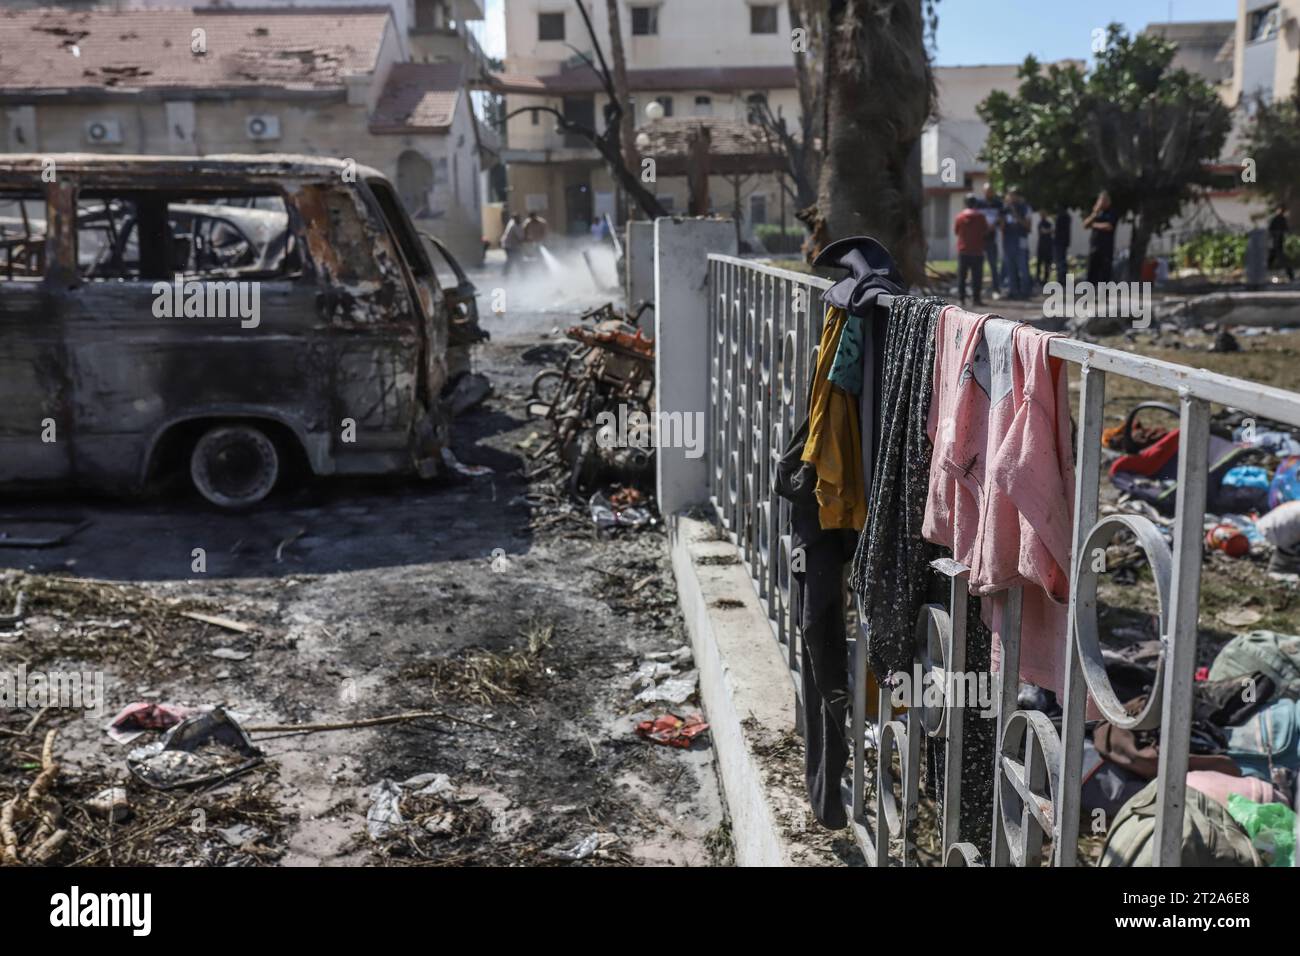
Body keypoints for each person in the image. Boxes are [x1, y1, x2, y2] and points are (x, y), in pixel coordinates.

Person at [953, 193, 988, 307]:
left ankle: (961, 299)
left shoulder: (960, 217)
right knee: (977, 277)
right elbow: (985, 230)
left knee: (962, 277)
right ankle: (976, 299)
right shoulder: (981, 216)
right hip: (977, 251)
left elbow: (956, 232)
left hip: (963, 250)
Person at [1000, 188, 1031, 298]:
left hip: (1021, 240)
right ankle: (1013, 291)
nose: (1011, 198)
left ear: (1018, 196)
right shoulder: (1005, 209)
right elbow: (1002, 227)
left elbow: (1028, 226)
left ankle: (1025, 291)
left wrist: (1016, 214)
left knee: (1023, 267)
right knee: (1010, 267)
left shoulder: (1025, 207)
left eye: (1013, 195)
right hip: (1008, 242)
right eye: (1009, 195)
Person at [1083, 190, 1118, 283]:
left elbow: (1109, 226)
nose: (1101, 203)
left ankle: (1104, 295)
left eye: (1103, 201)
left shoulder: (1112, 211)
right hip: (1094, 247)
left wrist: (1094, 225)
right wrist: (1094, 214)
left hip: (1106, 248)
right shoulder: (1096, 213)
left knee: (1105, 274)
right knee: (1091, 273)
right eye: (1100, 201)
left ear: (1108, 202)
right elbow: (1085, 225)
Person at [979, 182, 1003, 296]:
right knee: (978, 265)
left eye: (990, 191)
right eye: (986, 191)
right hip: (980, 239)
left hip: (992, 239)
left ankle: (996, 289)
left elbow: (1001, 218)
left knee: (993, 264)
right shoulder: (979, 203)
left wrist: (995, 224)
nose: (989, 193)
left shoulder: (998, 204)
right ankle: (978, 289)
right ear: (983, 191)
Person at [1268, 204, 1295, 281]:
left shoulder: (1282, 219)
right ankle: (1258, 276)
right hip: (1274, 244)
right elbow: (1271, 230)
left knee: (1283, 261)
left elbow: (1286, 230)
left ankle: (1291, 276)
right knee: (1270, 261)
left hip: (1278, 244)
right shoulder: (1276, 219)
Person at [1053, 206, 1072, 285]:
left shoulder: (1061, 217)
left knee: (1060, 261)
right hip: (1064, 242)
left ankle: (1061, 279)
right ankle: (1063, 279)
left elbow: (1057, 230)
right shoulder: (1067, 217)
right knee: (1062, 261)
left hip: (1059, 242)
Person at [1035, 212, 1054, 285]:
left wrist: (1048, 231)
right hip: (1041, 245)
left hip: (1048, 245)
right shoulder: (1040, 223)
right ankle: (1038, 278)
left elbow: (1052, 231)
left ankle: (1046, 278)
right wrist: (1048, 231)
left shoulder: (1049, 223)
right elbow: (1043, 231)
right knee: (1039, 263)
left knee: (1047, 263)